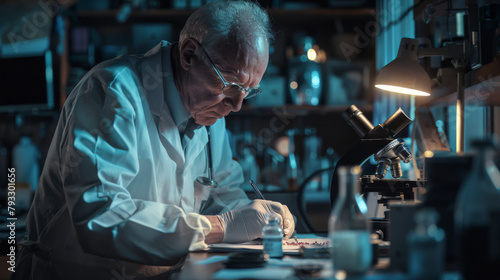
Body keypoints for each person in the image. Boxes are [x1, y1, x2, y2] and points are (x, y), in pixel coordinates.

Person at [13, 1, 295, 279]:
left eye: (249, 91)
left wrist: (258, 218)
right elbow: (101, 216)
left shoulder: (210, 112)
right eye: (231, 85)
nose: (237, 105)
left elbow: (221, 194)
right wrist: (221, 226)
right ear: (189, 55)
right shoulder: (113, 92)